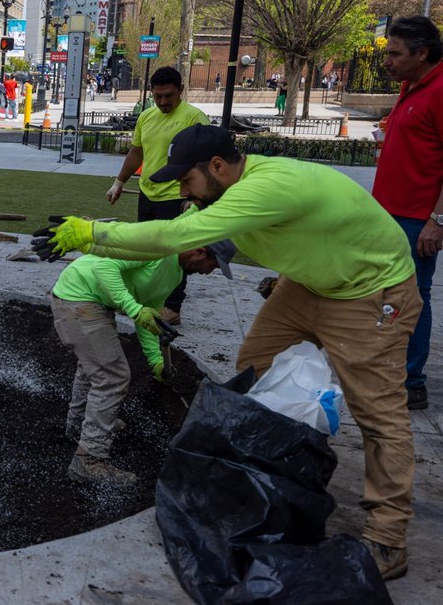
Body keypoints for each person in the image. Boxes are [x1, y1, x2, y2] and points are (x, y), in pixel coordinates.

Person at [41, 124, 422, 580]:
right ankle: (259, 477)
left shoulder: (262, 187)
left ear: (218, 167)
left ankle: (387, 539)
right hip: (308, 285)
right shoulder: (225, 193)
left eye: (187, 181)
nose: (184, 190)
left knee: (378, 413)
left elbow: (172, 238)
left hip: (370, 290)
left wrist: (92, 233)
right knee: (251, 372)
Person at [51, 240, 234, 487]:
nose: (208, 272)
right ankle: (89, 459)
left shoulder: (175, 274)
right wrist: (134, 309)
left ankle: (79, 425)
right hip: (77, 297)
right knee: (112, 376)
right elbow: (104, 267)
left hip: (92, 302)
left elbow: (149, 317)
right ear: (200, 251)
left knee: (95, 365)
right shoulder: (157, 247)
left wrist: (157, 361)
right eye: (212, 265)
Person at [372, 15, 443, 411]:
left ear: (422, 52)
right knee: (389, 294)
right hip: (387, 213)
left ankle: (411, 381)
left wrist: (438, 220)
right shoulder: (411, 86)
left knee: (414, 296)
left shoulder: (440, 90)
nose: (387, 61)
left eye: (395, 54)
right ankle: (390, 369)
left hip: (417, 220)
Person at [106, 66, 210, 325]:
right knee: (145, 250)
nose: (163, 102)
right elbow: (137, 153)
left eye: (169, 96)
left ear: (181, 91)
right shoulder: (146, 117)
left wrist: (195, 198)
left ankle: (172, 307)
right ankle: (142, 298)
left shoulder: (194, 118)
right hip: (148, 194)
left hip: (178, 198)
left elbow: (205, 161)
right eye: (158, 96)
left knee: (175, 255)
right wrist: (119, 182)